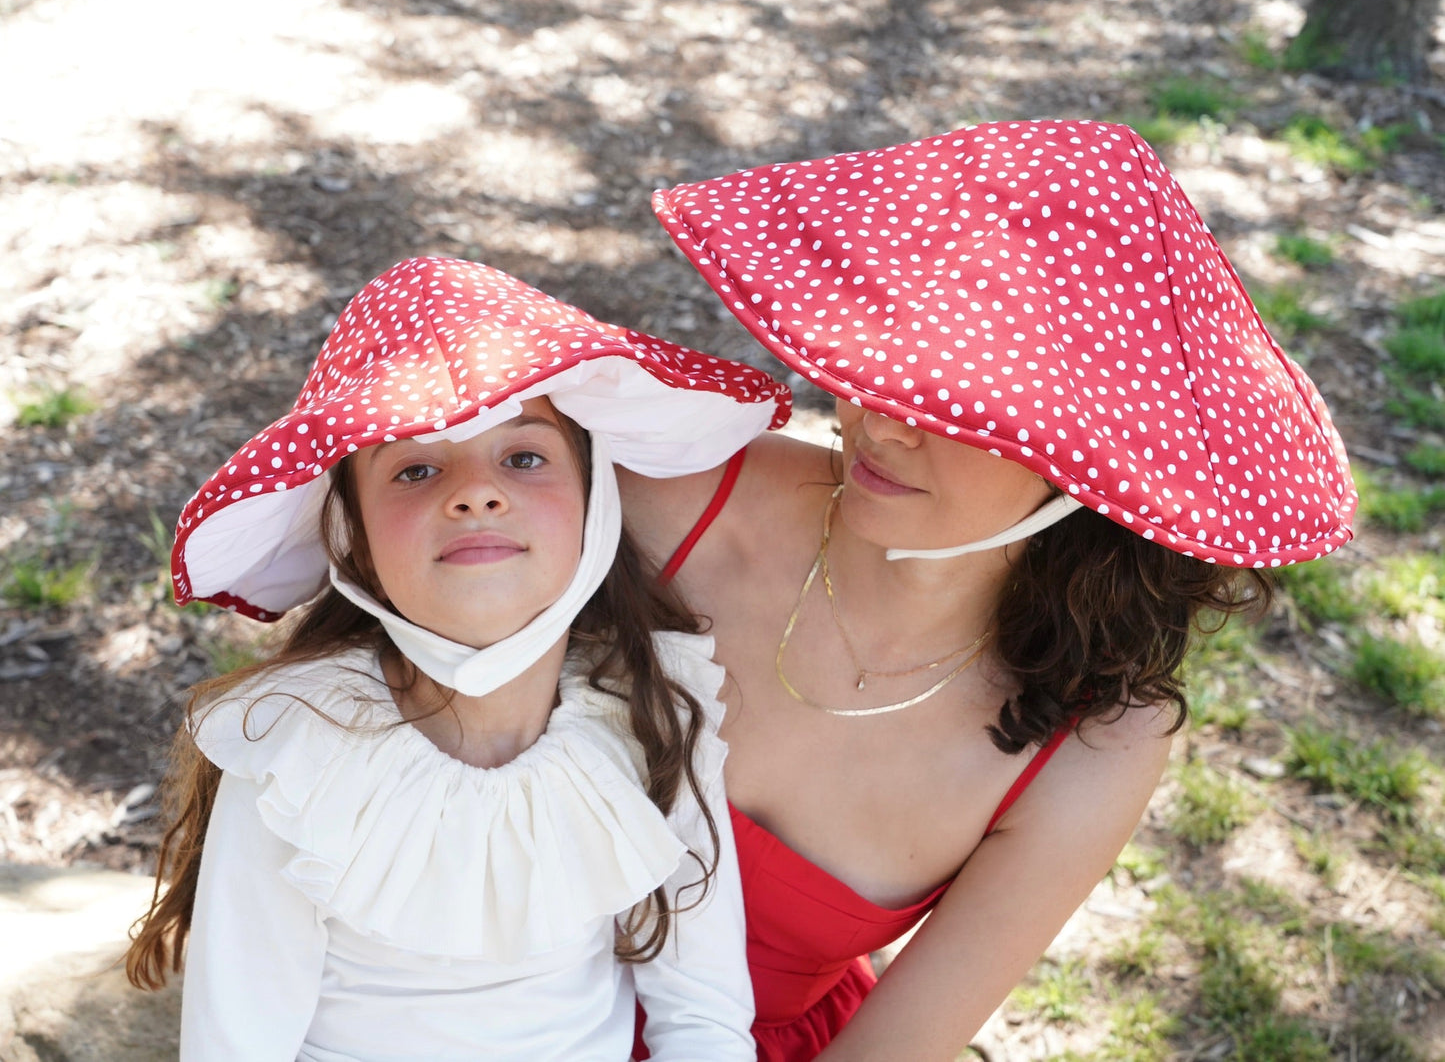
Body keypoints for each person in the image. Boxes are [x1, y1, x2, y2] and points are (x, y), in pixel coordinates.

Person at [622, 119, 1358, 1061]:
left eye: (959, 402)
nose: (881, 418)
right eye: (882, 355)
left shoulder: (1095, 740)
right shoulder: (687, 497)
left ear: (1090, 464)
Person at [124, 256, 791, 1061]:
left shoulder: (651, 707)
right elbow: (238, 1043)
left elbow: (702, 1015)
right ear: (351, 537)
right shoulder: (296, 745)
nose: (475, 493)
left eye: (523, 457)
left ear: (595, 499)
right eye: (415, 468)